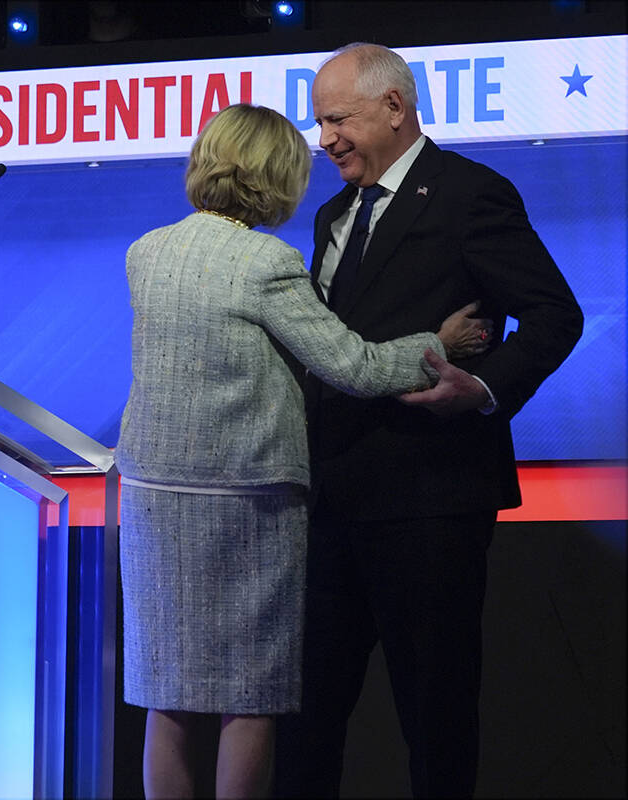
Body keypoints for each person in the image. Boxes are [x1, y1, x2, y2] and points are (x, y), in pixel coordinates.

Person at [115, 103, 491, 799]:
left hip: (150, 499)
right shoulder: (267, 262)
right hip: (245, 504)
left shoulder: (147, 251)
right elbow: (354, 366)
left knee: (165, 690)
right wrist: (439, 344)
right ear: (276, 176)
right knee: (248, 694)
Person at [273, 43, 584, 798]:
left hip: (430, 502)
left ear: (395, 109)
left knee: (435, 718)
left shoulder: (470, 194)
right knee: (304, 720)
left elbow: (554, 315)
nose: (326, 140)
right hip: (331, 503)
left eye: (338, 119)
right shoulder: (331, 214)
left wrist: (478, 384)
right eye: (319, 123)